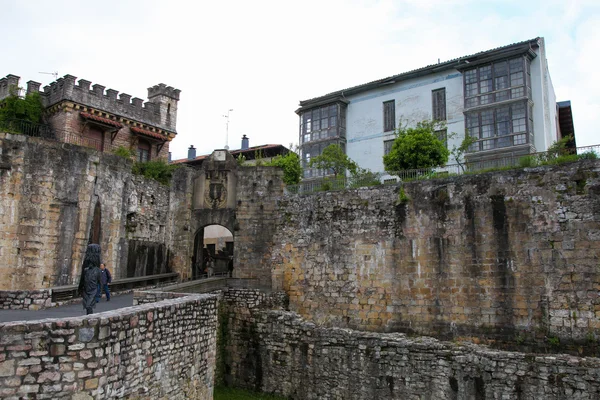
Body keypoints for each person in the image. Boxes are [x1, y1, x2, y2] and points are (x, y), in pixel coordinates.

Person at [78, 244, 102, 315]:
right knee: (88, 305)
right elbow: (83, 279)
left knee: (89, 305)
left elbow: (100, 283)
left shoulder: (97, 270)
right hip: (87, 288)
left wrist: (99, 292)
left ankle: (89, 317)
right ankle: (89, 317)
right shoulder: (87, 270)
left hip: (92, 289)